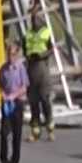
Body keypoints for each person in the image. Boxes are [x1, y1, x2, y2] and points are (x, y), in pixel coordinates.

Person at [0, 41, 29, 163]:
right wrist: (4, 94)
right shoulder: (3, 69)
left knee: (17, 135)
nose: (10, 57)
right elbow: (0, 85)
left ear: (17, 55)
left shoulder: (21, 68)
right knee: (4, 134)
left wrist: (13, 96)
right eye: (8, 54)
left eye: (12, 55)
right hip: (6, 103)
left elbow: (24, 87)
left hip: (17, 102)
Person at [24, 12, 55, 142]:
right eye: (32, 19)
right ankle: (35, 131)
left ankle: (50, 128)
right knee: (33, 102)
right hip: (31, 68)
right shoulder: (27, 34)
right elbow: (24, 49)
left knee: (45, 100)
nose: (34, 21)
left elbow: (52, 49)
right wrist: (28, 56)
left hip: (42, 67)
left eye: (37, 19)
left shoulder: (46, 32)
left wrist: (42, 55)